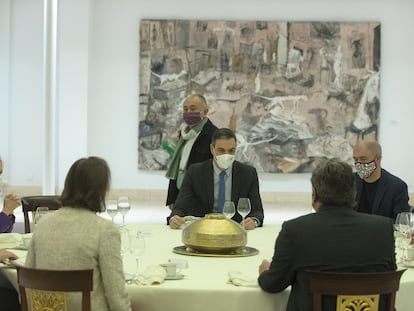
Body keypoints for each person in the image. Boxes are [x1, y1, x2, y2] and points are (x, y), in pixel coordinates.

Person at [258, 158, 396, 311]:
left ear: (314, 193)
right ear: (353, 192)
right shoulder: (383, 229)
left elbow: (273, 284)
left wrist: (265, 272)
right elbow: (388, 277)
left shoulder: (295, 230)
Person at [25, 157, 131, 311]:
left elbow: (30, 280)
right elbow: (117, 296)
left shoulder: (43, 224)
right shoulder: (105, 230)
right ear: (101, 190)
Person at [169, 128, 264, 230]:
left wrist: (254, 221)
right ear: (212, 149)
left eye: (231, 150)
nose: (226, 155)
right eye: (221, 150)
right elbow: (179, 208)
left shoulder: (248, 174)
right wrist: (175, 219)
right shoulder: (195, 172)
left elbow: (257, 212)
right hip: (203, 229)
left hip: (235, 229)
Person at [165, 94, 217, 210]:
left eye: (193, 109)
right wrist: (172, 197)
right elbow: (177, 166)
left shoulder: (214, 135)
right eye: (185, 109)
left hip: (201, 198)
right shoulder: (183, 134)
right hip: (180, 193)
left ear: (205, 111)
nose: (188, 112)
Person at [353, 139, 410, 220]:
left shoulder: (397, 187)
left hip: (382, 232)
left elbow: (401, 222)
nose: (358, 164)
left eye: (363, 159)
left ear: (378, 159)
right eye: (355, 159)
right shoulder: (350, 181)